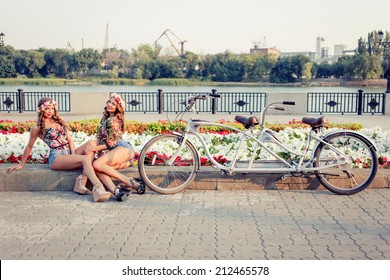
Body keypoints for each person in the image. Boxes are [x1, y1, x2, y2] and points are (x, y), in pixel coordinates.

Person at [7, 97, 111, 203]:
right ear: (41, 110)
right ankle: (98, 188)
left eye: (52, 108)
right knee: (85, 159)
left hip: (68, 153)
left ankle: (81, 182)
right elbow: (29, 146)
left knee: (92, 143)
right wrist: (21, 164)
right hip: (57, 157)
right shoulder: (37, 127)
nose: (50, 111)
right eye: (47, 108)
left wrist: (73, 154)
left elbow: (70, 140)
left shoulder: (59, 121)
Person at [81, 92, 144, 202]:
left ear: (118, 108)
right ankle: (115, 190)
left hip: (123, 149)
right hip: (114, 152)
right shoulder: (104, 119)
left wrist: (92, 149)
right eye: (109, 102)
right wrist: (98, 154)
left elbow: (111, 144)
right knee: (95, 166)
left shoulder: (113, 120)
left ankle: (129, 182)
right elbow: (101, 139)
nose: (110, 105)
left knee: (96, 164)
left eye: (114, 104)